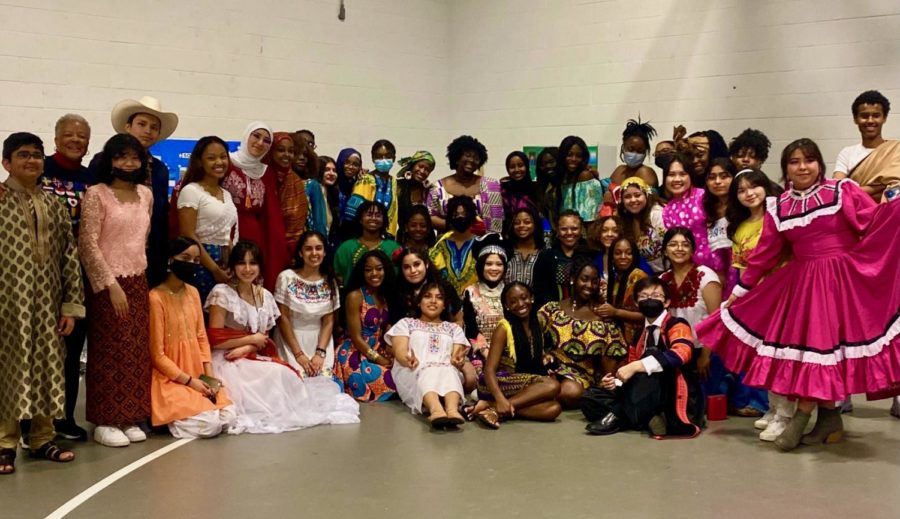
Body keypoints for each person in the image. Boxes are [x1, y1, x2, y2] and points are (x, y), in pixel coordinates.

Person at [697, 138, 900, 451]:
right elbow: (764, 254)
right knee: (814, 355)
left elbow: (872, 222)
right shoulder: (780, 206)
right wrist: (739, 291)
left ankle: (802, 418)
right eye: (794, 161)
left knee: (826, 352)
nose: (802, 167)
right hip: (803, 285)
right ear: (785, 168)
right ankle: (830, 419)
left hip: (841, 283)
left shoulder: (841, 191)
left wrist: (895, 205)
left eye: (809, 160)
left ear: (819, 163)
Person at [205, 242, 359, 434]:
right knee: (272, 379)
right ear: (233, 267)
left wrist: (249, 346)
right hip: (226, 357)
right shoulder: (222, 293)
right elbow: (214, 338)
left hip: (248, 354)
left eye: (252, 263)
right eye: (241, 263)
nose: (247, 269)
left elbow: (263, 338)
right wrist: (250, 341)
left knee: (283, 375)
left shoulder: (265, 296)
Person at [1, 133, 83, 474]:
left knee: (49, 367)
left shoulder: (55, 204)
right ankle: (5, 443)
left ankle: (42, 438)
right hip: (7, 303)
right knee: (9, 369)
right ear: (7, 162)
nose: (31, 161)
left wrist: (70, 306)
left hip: (48, 303)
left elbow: (68, 256)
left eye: (36, 155)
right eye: (23, 155)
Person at [79, 134, 153, 447]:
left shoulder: (146, 194)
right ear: (110, 160)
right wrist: (110, 285)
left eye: (134, 157)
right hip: (108, 283)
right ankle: (106, 419)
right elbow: (87, 243)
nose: (128, 163)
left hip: (138, 279)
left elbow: (143, 238)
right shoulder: (97, 194)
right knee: (109, 350)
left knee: (136, 349)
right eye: (121, 156)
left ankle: (131, 415)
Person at [583, 277, 702, 438]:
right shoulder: (639, 334)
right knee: (590, 397)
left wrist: (637, 366)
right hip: (644, 393)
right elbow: (633, 375)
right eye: (644, 297)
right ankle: (649, 418)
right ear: (637, 303)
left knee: (648, 365)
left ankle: (618, 416)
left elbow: (682, 353)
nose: (649, 300)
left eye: (655, 296)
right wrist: (616, 382)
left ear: (666, 302)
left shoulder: (677, 324)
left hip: (672, 391)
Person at [40, 114, 94, 441]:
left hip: (79, 276)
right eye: (69, 135)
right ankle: (33, 422)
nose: (75, 140)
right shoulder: (38, 170)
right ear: (57, 138)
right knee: (41, 349)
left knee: (72, 351)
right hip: (41, 274)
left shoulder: (93, 179)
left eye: (82, 137)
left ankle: (65, 417)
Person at [725, 168, 789, 438]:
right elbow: (742, 269)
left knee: (782, 356)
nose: (749, 193)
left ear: (765, 186)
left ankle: (786, 416)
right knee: (764, 357)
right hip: (757, 300)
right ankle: (773, 409)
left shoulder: (780, 217)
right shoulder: (739, 228)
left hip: (785, 295)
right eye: (741, 190)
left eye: (754, 187)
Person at [149, 238, 234, 439]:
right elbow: (157, 355)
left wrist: (209, 377)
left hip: (198, 373)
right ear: (170, 260)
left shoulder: (193, 293)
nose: (191, 264)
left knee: (229, 418)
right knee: (210, 425)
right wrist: (189, 382)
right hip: (172, 378)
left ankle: (194, 410)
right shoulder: (155, 297)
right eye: (185, 258)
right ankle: (172, 420)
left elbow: (201, 337)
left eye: (196, 260)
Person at [96, 96, 178, 287]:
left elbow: (160, 216)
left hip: (148, 255)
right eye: (142, 124)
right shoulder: (103, 161)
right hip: (109, 257)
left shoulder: (160, 170)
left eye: (154, 127)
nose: (148, 131)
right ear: (128, 126)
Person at [466, 283, 561, 429]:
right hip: (497, 382)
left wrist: (547, 357)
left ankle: (491, 407)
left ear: (532, 298)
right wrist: (499, 398)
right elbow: (489, 370)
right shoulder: (504, 328)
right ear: (506, 305)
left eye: (524, 298)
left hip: (523, 383)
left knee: (553, 409)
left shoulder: (538, 322)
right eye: (513, 301)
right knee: (552, 385)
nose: (520, 304)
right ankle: (497, 406)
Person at [539, 259, 628, 409]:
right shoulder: (552, 309)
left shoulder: (602, 315)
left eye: (594, 281)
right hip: (549, 366)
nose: (589, 286)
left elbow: (612, 352)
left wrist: (606, 385)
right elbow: (533, 337)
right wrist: (542, 356)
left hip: (582, 374)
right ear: (573, 279)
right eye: (584, 279)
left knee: (570, 393)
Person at [387, 283, 468, 427]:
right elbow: (399, 351)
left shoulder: (454, 329)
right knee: (427, 369)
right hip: (412, 369)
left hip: (445, 370)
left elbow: (456, 355)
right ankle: (436, 410)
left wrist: (458, 360)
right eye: (427, 296)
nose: (433, 301)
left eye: (439, 298)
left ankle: (452, 410)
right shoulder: (406, 324)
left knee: (449, 370)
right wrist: (407, 360)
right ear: (419, 302)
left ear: (444, 305)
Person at [222, 121, 288, 290]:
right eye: (256, 136)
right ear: (247, 136)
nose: (260, 143)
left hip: (254, 236)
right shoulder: (226, 163)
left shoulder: (266, 173)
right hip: (224, 231)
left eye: (266, 140)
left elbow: (271, 214)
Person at [174, 136, 238, 303]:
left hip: (225, 264)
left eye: (223, 157)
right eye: (211, 158)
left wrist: (233, 264)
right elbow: (187, 234)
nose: (219, 162)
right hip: (201, 263)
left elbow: (226, 234)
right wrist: (215, 270)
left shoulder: (227, 194)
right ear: (200, 162)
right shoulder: (191, 191)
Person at [275, 231, 341, 382]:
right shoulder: (286, 278)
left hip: (320, 341)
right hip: (291, 339)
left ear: (324, 252)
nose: (314, 253)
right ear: (300, 252)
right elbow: (282, 318)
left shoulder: (330, 281)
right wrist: (299, 355)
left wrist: (320, 353)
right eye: (308, 249)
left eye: (318, 248)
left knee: (324, 383)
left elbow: (328, 321)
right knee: (295, 382)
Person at [658, 227, 719, 387]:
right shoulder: (661, 280)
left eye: (685, 244)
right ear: (665, 251)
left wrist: (705, 356)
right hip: (674, 352)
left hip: (704, 350)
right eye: (673, 244)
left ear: (692, 250)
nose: (679, 249)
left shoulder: (706, 276)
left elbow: (717, 320)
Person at [335, 250, 398, 402]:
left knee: (404, 375)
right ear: (361, 273)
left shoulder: (385, 295)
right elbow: (356, 337)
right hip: (355, 352)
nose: (374, 273)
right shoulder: (355, 296)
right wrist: (378, 359)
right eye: (368, 270)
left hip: (378, 348)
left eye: (379, 268)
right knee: (391, 380)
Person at [427, 135, 503, 234]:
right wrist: (454, 226)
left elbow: (498, 219)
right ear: (457, 158)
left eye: (476, 158)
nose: (471, 160)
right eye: (467, 155)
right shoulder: (437, 188)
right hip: (448, 244)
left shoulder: (491, 185)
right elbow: (429, 216)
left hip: (483, 244)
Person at [833, 90, 900, 202]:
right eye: (864, 116)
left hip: (891, 214)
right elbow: (837, 191)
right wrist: (879, 186)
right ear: (855, 119)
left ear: (884, 118)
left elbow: (897, 189)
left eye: (876, 115)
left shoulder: (896, 150)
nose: (870, 120)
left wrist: (857, 191)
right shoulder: (847, 153)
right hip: (857, 215)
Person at [661, 153, 716, 271]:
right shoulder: (667, 210)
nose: (677, 179)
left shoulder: (704, 196)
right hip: (687, 270)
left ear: (691, 176)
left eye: (682, 174)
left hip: (718, 266)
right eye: (671, 175)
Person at [532, 210, 596, 310]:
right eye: (564, 229)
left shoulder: (591, 255)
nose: (569, 233)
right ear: (557, 231)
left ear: (581, 230)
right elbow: (539, 290)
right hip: (554, 314)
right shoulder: (546, 256)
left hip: (585, 313)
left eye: (574, 228)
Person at [332, 201, 402, 286]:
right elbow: (338, 277)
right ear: (360, 220)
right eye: (369, 215)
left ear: (384, 220)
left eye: (378, 215)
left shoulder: (394, 248)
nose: (373, 218)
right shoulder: (346, 248)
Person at [462, 244, 507, 370]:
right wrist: (486, 352)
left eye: (499, 264)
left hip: (508, 349)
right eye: (489, 264)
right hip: (479, 351)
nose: (494, 268)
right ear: (481, 266)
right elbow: (470, 328)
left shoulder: (511, 291)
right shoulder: (470, 292)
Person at [428, 196, 482, 295]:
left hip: (477, 303)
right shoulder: (440, 246)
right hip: (446, 302)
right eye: (455, 215)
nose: (460, 218)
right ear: (449, 218)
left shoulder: (482, 244)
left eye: (464, 214)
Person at [598, 238, 648, 345]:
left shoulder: (638, 275)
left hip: (637, 341)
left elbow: (647, 315)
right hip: (618, 340)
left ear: (634, 256)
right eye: (618, 253)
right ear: (612, 257)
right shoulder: (616, 279)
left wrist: (615, 312)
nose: (623, 257)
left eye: (629, 253)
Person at [344, 139, 400, 235]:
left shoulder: (393, 181)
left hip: (387, 236)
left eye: (388, 156)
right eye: (379, 157)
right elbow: (352, 213)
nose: (384, 160)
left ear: (394, 158)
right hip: (365, 236)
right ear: (373, 159)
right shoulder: (366, 180)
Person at [267, 132, 308, 253]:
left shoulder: (295, 181)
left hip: (290, 246)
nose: (286, 155)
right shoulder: (262, 177)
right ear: (270, 152)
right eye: (280, 150)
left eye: (291, 151)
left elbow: (298, 220)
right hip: (265, 241)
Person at [603, 118, 660, 204]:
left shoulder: (645, 172)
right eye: (631, 149)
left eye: (640, 151)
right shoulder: (620, 170)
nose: (635, 154)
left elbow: (644, 202)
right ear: (623, 148)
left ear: (645, 153)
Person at [617, 177, 667, 273]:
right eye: (627, 197)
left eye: (637, 195)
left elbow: (669, 247)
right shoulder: (626, 219)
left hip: (666, 273)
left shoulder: (657, 214)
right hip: (646, 275)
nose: (633, 200)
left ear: (646, 195)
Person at [702, 157, 736, 288]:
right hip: (718, 275)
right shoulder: (705, 208)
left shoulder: (743, 207)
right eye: (712, 177)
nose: (718, 182)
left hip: (741, 273)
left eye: (724, 176)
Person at [557, 135, 602, 224]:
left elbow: (590, 217)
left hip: (582, 233)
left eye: (578, 156)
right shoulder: (563, 177)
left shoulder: (584, 176)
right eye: (569, 155)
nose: (574, 159)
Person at [503, 206, 545, 287]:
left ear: (535, 224)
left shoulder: (544, 253)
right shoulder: (505, 252)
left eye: (527, 222)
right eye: (517, 223)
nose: (521, 225)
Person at [395, 150, 436, 222]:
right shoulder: (398, 186)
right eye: (420, 166)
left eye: (427, 170)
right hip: (403, 232)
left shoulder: (428, 191)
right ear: (412, 165)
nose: (422, 171)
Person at [310, 155, 340, 251]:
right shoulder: (313, 187)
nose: (331, 173)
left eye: (334, 171)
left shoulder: (332, 194)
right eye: (327, 169)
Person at [500, 150, 539, 220]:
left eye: (520, 165)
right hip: (508, 230)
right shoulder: (502, 190)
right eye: (512, 167)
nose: (517, 170)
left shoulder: (537, 189)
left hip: (534, 229)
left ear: (527, 166)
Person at [534, 146, 559, 230]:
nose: (548, 166)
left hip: (571, 233)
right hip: (550, 233)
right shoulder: (542, 187)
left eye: (551, 162)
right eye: (543, 164)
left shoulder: (567, 184)